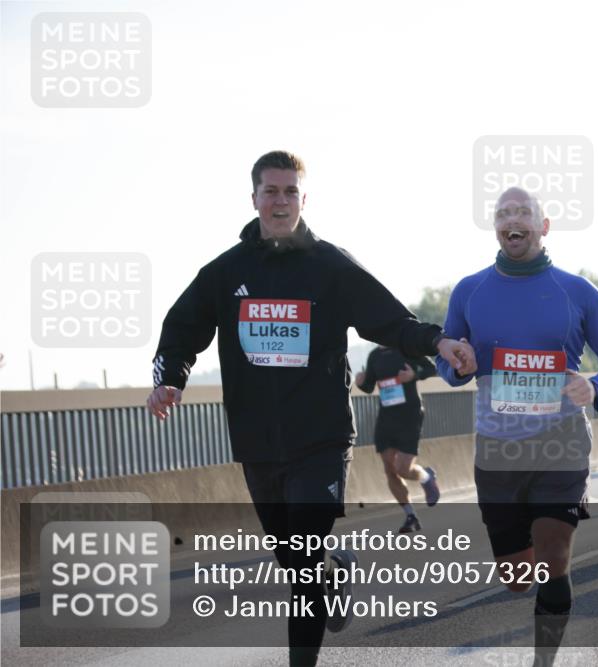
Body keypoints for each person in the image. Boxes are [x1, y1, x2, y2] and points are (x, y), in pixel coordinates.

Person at [145, 151, 476, 667]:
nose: (280, 202)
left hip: (321, 439)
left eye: (290, 192)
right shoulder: (225, 272)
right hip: (257, 442)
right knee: (295, 561)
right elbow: (183, 327)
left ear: (304, 199)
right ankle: (333, 569)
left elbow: (389, 319)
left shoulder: (329, 266)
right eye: (271, 192)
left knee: (301, 567)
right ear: (254, 198)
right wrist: (169, 379)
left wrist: (438, 341)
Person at [437, 186, 598, 667]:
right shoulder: (469, 290)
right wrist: (458, 365)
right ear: (496, 227)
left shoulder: (577, 291)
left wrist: (597, 386)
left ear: (543, 226)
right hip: (498, 451)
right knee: (517, 578)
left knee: (553, 558)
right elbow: (447, 359)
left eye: (523, 212)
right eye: (504, 213)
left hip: (560, 444)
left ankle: (542, 662)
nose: (513, 220)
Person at [355, 346, 440, 533]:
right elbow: (368, 386)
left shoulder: (407, 348)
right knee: (390, 469)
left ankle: (426, 476)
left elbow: (432, 368)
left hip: (410, 415)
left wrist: (414, 375)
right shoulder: (375, 355)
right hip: (386, 417)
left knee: (403, 469)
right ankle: (411, 516)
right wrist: (360, 382)